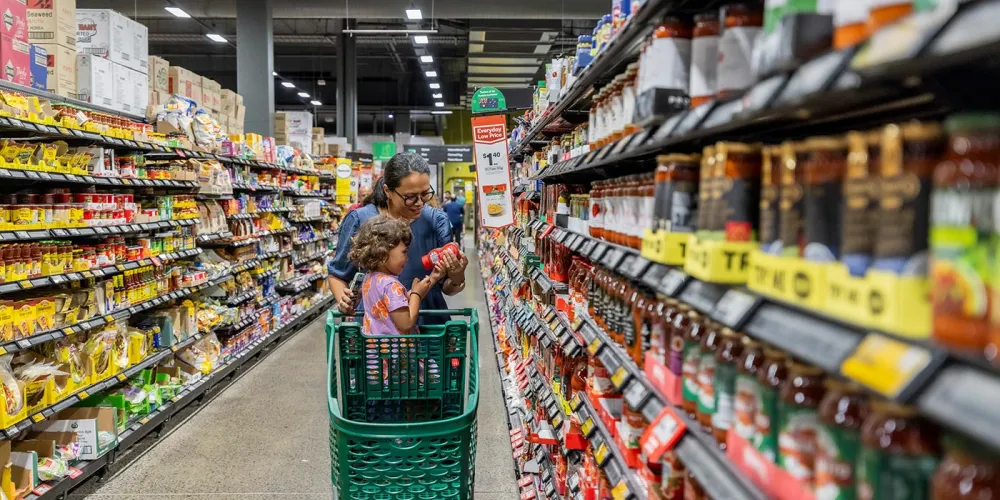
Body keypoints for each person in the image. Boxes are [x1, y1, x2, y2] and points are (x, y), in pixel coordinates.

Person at [328, 152, 468, 324]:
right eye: (410, 197)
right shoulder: (359, 220)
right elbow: (337, 274)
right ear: (388, 190)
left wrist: (457, 275)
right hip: (375, 330)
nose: (419, 203)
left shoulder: (435, 221)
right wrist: (344, 299)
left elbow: (447, 287)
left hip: (428, 328)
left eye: (425, 194)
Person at [347, 214, 447, 334]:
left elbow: (398, 302)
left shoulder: (370, 278)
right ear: (382, 254)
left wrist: (433, 278)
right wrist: (416, 294)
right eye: (404, 252)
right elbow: (406, 323)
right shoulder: (390, 285)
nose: (407, 257)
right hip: (396, 351)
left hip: (376, 350)